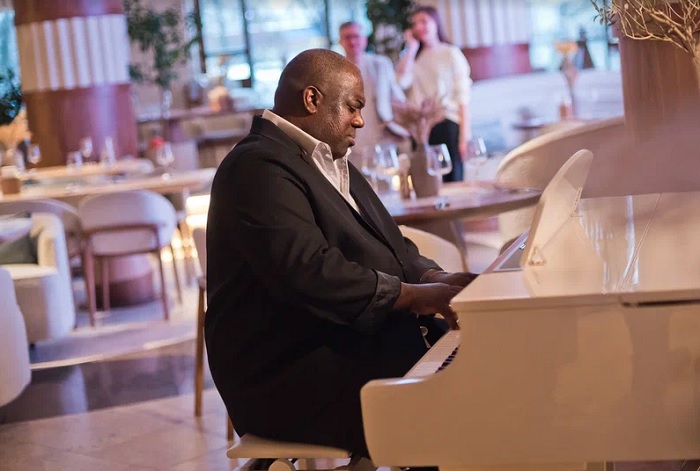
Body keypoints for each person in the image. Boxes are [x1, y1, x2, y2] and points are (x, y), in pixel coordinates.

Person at [206, 48, 477, 459]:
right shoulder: (256, 167)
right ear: (312, 99)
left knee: (486, 373)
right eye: (353, 106)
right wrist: (415, 296)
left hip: (338, 346)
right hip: (287, 377)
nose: (361, 120)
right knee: (460, 406)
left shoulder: (326, 158)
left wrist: (434, 278)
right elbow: (310, 271)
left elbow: (392, 244)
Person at [396, 5, 473, 182]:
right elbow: (401, 82)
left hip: (447, 124)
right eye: (415, 24)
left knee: (452, 181)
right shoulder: (414, 57)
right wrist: (411, 48)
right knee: (426, 183)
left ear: (436, 23)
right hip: (421, 129)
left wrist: (464, 137)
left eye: (424, 22)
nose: (419, 27)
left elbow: (462, 97)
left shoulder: (450, 53)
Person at [338, 21, 410, 164]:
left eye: (356, 36)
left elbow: (397, 97)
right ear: (341, 41)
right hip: (352, 142)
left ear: (364, 39)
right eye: (347, 37)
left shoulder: (381, 64)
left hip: (382, 137)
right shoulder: (336, 70)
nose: (352, 41)